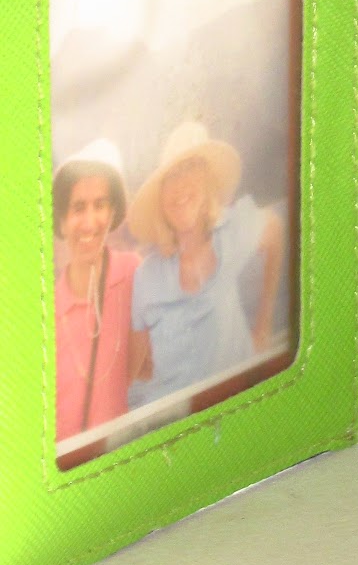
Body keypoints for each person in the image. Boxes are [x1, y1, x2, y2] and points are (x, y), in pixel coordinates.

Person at [127, 119, 284, 405]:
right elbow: (139, 369)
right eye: (171, 177)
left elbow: (275, 232)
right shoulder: (146, 276)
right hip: (175, 418)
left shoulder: (231, 234)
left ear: (207, 182)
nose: (180, 185)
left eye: (190, 170)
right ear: (160, 198)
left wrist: (264, 325)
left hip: (235, 403)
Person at [53, 140, 139, 443]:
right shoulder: (47, 315)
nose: (89, 223)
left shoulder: (134, 275)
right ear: (62, 221)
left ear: (112, 212)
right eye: (78, 207)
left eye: (100, 205)